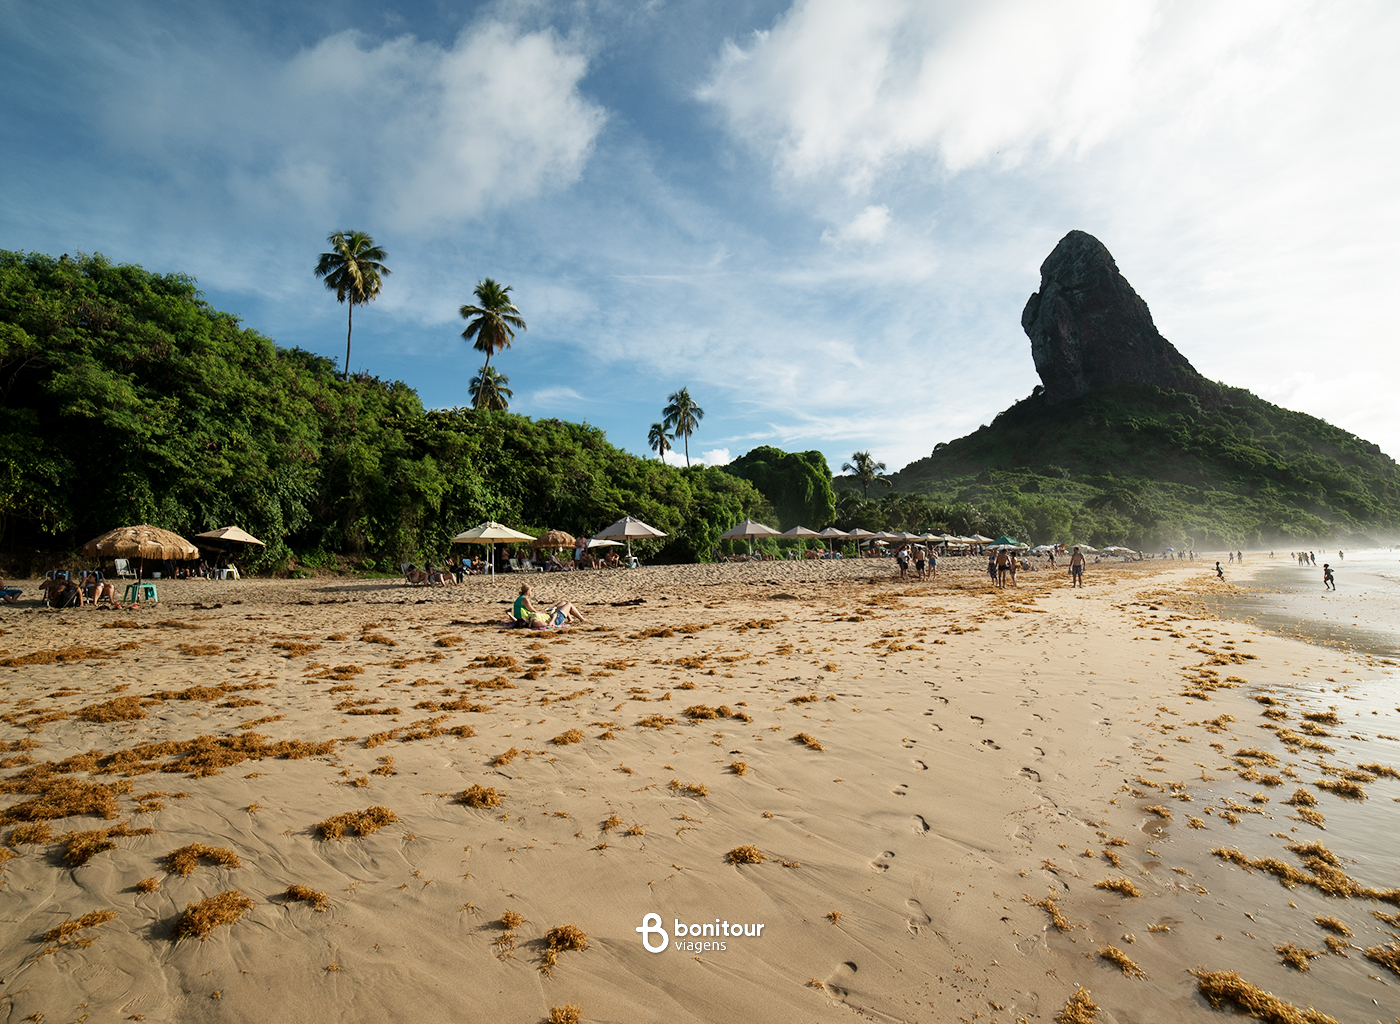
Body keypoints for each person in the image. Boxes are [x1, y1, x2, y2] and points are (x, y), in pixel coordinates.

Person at [513, 583, 586, 628]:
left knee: (562, 603)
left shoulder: (529, 618)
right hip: (555, 619)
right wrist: (553, 617)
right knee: (569, 604)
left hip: (549, 616)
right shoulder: (534, 621)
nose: (532, 592)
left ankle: (570, 619)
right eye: (531, 590)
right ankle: (582, 619)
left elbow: (516, 620)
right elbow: (532, 610)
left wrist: (509, 614)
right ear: (527, 591)